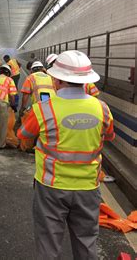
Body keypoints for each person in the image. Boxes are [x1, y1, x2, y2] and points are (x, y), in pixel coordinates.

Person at [17, 50, 115, 259]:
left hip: (51, 187)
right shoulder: (102, 109)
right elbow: (109, 136)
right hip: (88, 188)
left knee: (49, 243)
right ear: (86, 80)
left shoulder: (43, 110)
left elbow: (23, 135)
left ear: (57, 79)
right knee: (87, 241)